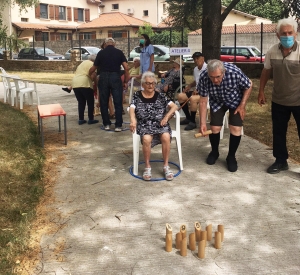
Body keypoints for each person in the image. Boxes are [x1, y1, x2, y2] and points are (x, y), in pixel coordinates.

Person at [258, 17, 300, 174]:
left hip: (299, 101)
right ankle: (281, 161)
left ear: (296, 34)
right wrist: (261, 91)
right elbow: (266, 71)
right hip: (279, 100)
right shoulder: (272, 51)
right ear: (278, 35)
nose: (287, 36)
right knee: (279, 132)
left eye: (290, 33)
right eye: (284, 33)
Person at [198, 59, 252, 172]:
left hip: (235, 101)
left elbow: (248, 85)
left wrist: (242, 106)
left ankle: (231, 156)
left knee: (236, 128)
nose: (215, 80)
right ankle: (214, 152)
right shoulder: (203, 76)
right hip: (217, 101)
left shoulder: (234, 72)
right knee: (214, 128)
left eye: (217, 76)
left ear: (224, 72)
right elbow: (203, 100)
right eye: (212, 77)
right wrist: (202, 123)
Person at [129, 71, 178, 181]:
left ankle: (166, 166)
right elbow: (131, 108)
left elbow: (174, 106)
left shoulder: (160, 95)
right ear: (142, 85)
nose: (151, 86)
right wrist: (133, 119)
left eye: (153, 83)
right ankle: (147, 167)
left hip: (160, 123)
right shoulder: (137, 95)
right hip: (144, 123)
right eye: (147, 83)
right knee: (146, 139)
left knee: (166, 136)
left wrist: (166, 117)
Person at [89, 37, 129, 132]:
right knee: (117, 101)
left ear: (105, 44)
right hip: (115, 76)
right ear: (114, 44)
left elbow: (94, 67)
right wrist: (125, 81)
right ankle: (118, 125)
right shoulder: (119, 52)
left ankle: (106, 124)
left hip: (103, 77)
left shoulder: (101, 53)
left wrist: (89, 74)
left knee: (104, 101)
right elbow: (126, 68)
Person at [178, 52, 207, 130]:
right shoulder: (195, 69)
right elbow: (196, 81)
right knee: (180, 96)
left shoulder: (208, 69)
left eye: (198, 58)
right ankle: (188, 118)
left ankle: (193, 122)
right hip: (196, 91)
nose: (196, 60)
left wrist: (199, 90)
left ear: (203, 58)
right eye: (194, 59)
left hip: (206, 93)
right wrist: (189, 86)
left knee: (193, 99)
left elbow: (210, 84)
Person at [71, 55, 99, 125]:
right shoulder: (93, 64)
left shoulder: (82, 63)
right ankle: (91, 119)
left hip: (75, 83)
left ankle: (81, 119)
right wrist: (96, 83)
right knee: (90, 102)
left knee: (81, 102)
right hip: (85, 83)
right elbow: (93, 75)